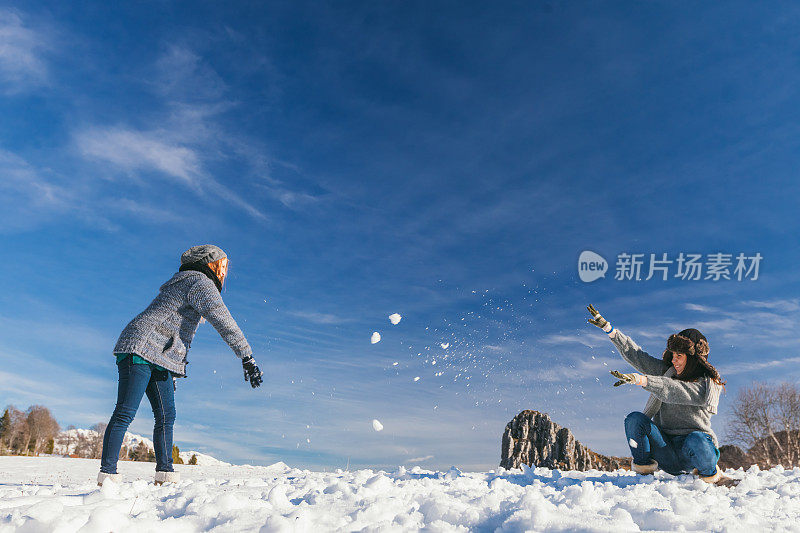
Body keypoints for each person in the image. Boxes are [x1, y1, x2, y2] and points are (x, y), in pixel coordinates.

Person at [97, 245, 263, 486]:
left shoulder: (189, 282)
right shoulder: (199, 282)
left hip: (161, 355)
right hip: (139, 346)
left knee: (166, 415)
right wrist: (246, 356)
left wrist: (174, 368)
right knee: (126, 411)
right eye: (223, 266)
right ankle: (107, 474)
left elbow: (178, 332)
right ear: (211, 264)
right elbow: (224, 321)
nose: (225, 273)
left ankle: (164, 473)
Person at [586, 304, 737, 487]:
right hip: (665, 448)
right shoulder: (666, 371)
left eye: (679, 355)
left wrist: (644, 381)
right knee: (635, 419)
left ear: (693, 359)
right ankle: (644, 470)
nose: (674, 360)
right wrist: (610, 330)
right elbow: (637, 356)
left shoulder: (706, 385)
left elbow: (675, 390)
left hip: (693, 451)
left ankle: (712, 475)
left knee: (697, 439)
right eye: (672, 354)